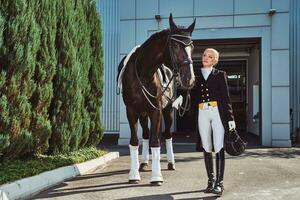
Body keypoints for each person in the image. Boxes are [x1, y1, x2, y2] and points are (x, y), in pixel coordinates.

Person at [194, 48, 236, 196]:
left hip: (217, 112)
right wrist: (180, 98)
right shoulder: (195, 74)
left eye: (210, 56)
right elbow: (189, 92)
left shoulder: (220, 75)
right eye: (205, 55)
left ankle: (219, 183)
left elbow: (226, 98)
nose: (206, 58)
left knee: (218, 145)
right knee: (206, 145)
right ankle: (210, 181)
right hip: (202, 112)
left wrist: (230, 119)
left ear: (215, 60)